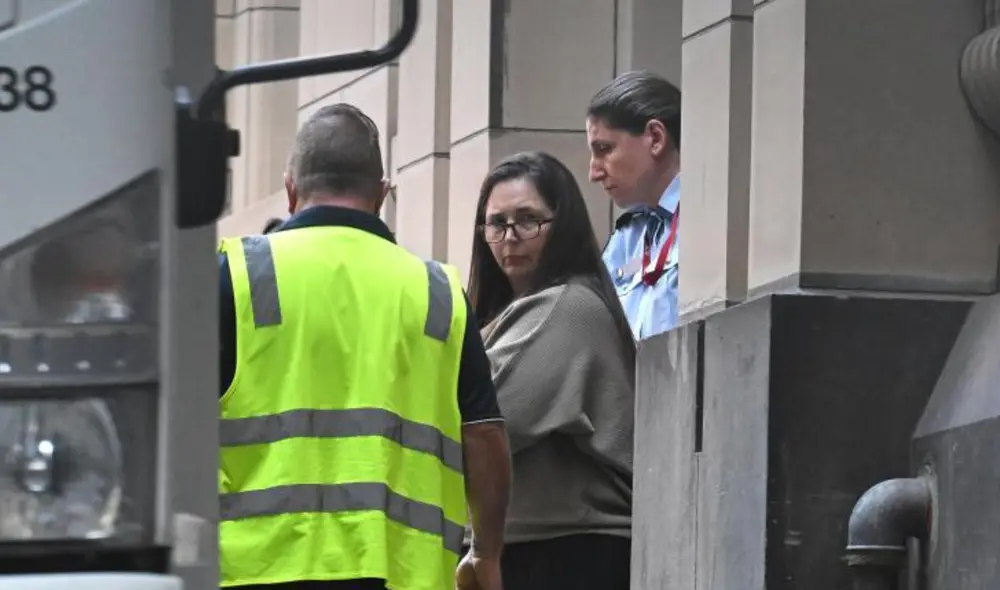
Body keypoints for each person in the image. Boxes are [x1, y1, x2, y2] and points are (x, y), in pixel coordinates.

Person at [217, 103, 511, 590]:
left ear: (291, 190)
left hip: (256, 574)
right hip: (401, 576)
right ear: (382, 193)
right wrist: (486, 553)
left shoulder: (237, 276)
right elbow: (484, 438)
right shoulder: (436, 293)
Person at [467, 151, 636, 590]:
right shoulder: (506, 313)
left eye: (528, 219)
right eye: (497, 223)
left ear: (562, 225)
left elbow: (483, 418)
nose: (510, 237)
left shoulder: (568, 306)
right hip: (530, 547)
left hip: (571, 549)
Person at [587, 70, 682, 339]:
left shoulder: (709, 218)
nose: (593, 173)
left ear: (655, 138)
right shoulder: (625, 240)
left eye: (604, 149)